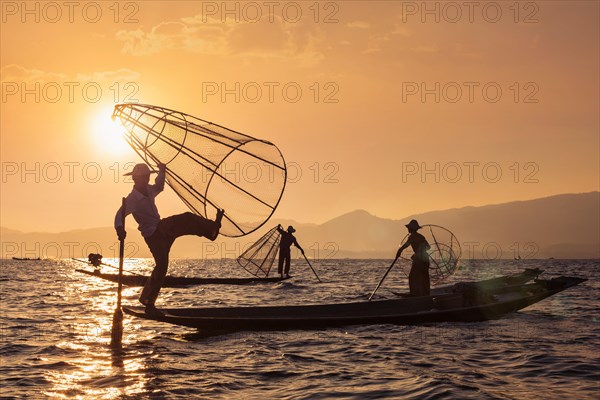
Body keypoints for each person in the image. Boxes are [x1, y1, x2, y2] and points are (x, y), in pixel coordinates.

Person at [114, 162, 224, 316]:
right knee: (162, 266)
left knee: (187, 220)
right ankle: (148, 302)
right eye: (139, 178)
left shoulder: (149, 190)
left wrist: (162, 171)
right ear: (134, 179)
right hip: (154, 234)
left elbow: (159, 186)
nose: (142, 180)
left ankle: (211, 230)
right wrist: (120, 229)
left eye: (145, 178)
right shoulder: (132, 199)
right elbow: (119, 216)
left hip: (162, 228)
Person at [396, 219, 431, 296]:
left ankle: (414, 293)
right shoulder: (421, 236)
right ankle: (425, 293)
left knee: (413, 277)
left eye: (409, 228)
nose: (408, 229)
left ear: (411, 229)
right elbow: (428, 247)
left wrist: (399, 252)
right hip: (425, 259)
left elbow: (405, 246)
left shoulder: (412, 236)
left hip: (419, 260)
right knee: (424, 277)